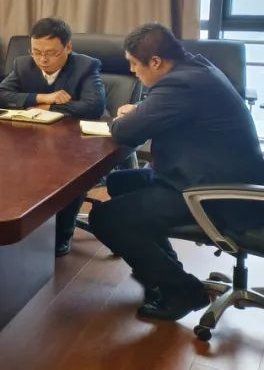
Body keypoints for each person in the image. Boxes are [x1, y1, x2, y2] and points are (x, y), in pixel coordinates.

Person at [90, 23, 264, 321]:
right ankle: (161, 269)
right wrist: (142, 110)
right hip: (207, 174)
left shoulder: (181, 85)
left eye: (134, 64)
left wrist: (130, 116)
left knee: (105, 219)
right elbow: (167, 110)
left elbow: (124, 132)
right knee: (120, 183)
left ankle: (184, 292)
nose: (132, 71)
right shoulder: (196, 68)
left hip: (215, 193)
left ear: (156, 62)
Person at [0, 17, 106, 257]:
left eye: (50, 53)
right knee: (10, 166)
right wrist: (42, 98)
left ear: (68, 48)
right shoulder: (23, 65)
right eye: (36, 52)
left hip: (77, 144)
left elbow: (93, 106)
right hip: (33, 141)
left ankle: (63, 234)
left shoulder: (86, 66)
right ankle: (21, 227)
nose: (42, 59)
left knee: (68, 174)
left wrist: (49, 108)